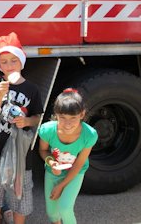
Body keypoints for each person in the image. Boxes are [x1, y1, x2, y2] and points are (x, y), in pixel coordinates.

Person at [0, 32, 43, 224]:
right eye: (4, 61)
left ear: (22, 62)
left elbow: (37, 118)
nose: (9, 66)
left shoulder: (31, 89)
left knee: (20, 193)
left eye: (13, 60)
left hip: (20, 154)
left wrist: (27, 122)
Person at [38, 88, 98, 224]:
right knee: (52, 213)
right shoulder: (47, 130)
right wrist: (52, 163)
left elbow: (79, 163)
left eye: (73, 118)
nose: (68, 123)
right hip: (53, 172)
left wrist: (61, 186)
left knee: (65, 208)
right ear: (56, 115)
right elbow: (43, 151)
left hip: (75, 173)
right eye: (62, 118)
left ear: (82, 114)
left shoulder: (89, 135)